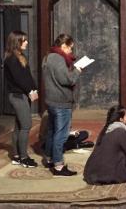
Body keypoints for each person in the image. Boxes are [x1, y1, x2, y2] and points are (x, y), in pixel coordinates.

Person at [42, 33, 81, 176]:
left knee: (52, 132)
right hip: (60, 102)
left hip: (52, 101)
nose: (71, 51)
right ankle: (58, 166)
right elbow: (68, 80)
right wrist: (77, 71)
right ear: (63, 46)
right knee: (61, 135)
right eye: (70, 48)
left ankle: (49, 158)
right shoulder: (58, 59)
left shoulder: (49, 57)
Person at [84, 105, 126, 185]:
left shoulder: (105, 129)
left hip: (90, 172)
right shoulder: (120, 131)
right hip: (108, 172)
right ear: (121, 119)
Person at [4, 30, 39, 168]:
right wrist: (30, 91)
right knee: (26, 125)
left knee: (19, 126)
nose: (26, 42)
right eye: (23, 40)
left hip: (22, 95)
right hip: (18, 96)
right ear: (16, 42)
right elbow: (19, 79)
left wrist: (33, 89)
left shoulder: (19, 56)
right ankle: (23, 157)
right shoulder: (11, 59)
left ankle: (17, 156)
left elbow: (27, 76)